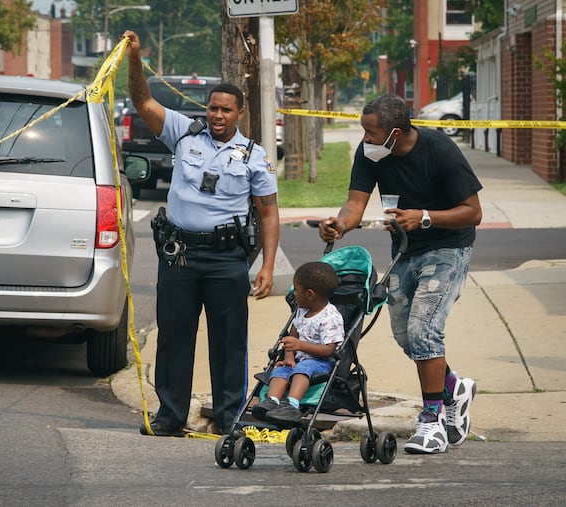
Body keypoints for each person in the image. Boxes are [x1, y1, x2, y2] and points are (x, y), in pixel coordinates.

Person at [123, 30, 280, 436]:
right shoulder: (184, 133)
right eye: (212, 108)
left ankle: (229, 420)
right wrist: (135, 58)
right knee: (174, 338)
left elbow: (269, 213)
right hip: (179, 257)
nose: (217, 116)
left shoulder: (254, 157)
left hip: (227, 258)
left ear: (239, 113)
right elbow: (142, 101)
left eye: (226, 110)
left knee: (229, 343)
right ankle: (170, 417)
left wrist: (266, 265)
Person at [319, 93, 481, 454]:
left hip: (448, 247)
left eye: (371, 133)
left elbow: (473, 211)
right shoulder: (369, 154)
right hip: (406, 248)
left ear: (395, 134)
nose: (365, 140)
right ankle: (453, 386)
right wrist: (339, 225)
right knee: (406, 336)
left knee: (424, 330)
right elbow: (355, 205)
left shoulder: (440, 151)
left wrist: (425, 216)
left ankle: (431, 420)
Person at [251, 261, 344, 428]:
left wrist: (300, 346)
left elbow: (329, 350)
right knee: (281, 369)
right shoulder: (301, 311)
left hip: (321, 363)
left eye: (296, 289)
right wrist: (288, 357)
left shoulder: (330, 317)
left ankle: (292, 405)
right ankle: (272, 401)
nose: (293, 294)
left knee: (304, 367)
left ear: (310, 294)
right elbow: (291, 338)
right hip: (299, 360)